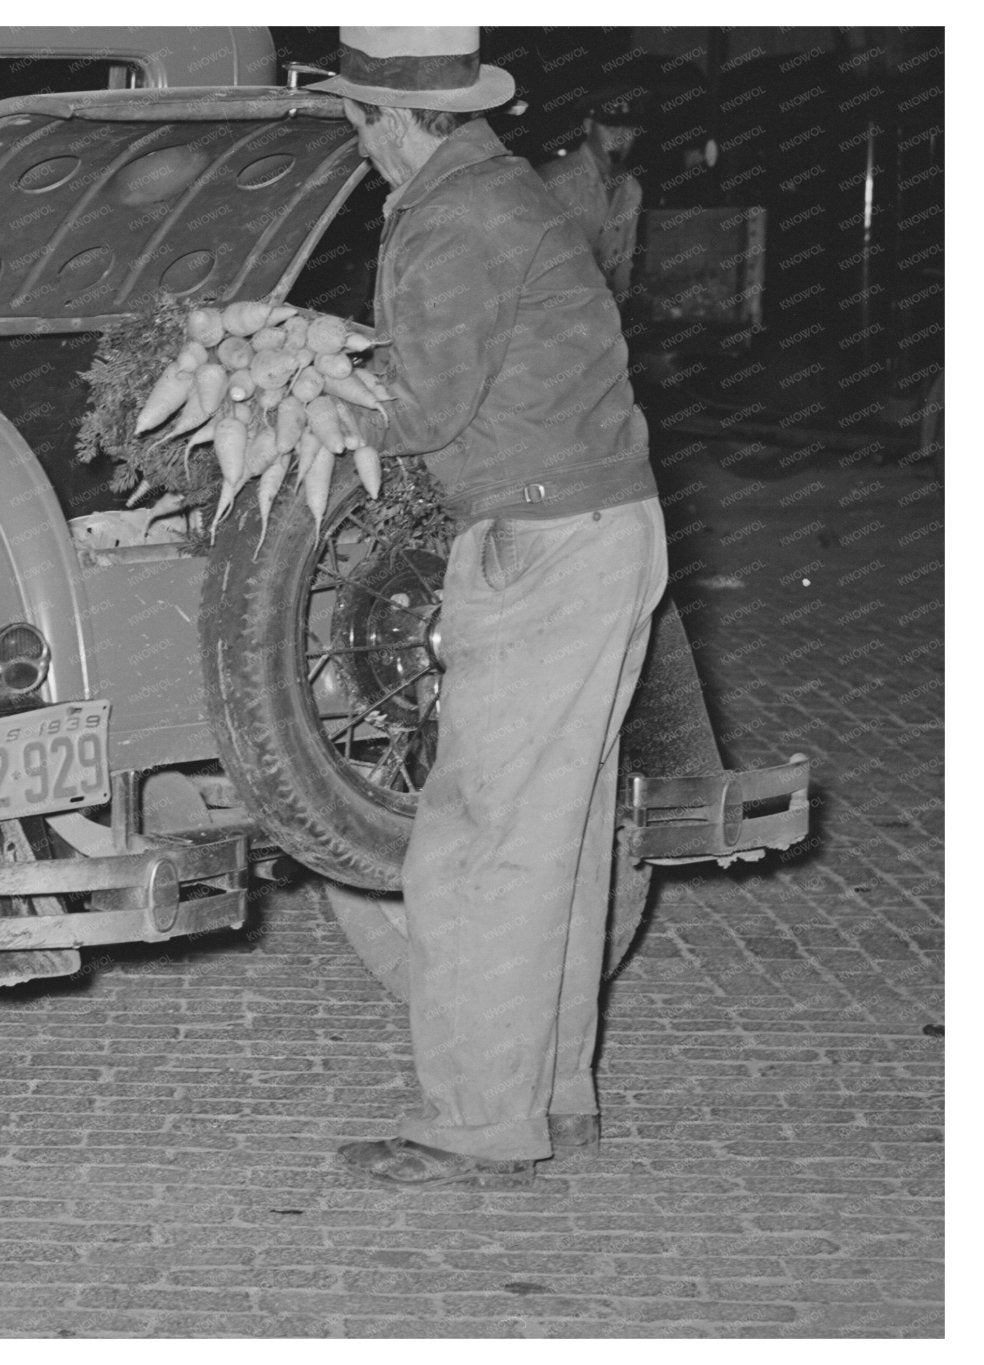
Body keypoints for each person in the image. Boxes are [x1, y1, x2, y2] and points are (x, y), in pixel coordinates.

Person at [306, 27, 668, 1187]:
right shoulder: (496, 190)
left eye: (361, 122)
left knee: (475, 845)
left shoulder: (455, 218)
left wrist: (288, 408)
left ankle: (475, 1124)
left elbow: (422, 405)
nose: (361, 147)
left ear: (397, 117)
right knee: (547, 839)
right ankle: (549, 1101)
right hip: (600, 528)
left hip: (540, 542)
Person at [537, 85, 652, 300]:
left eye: (628, 129)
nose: (621, 137)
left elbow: (623, 268)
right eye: (611, 128)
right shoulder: (556, 181)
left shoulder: (630, 189)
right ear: (588, 126)